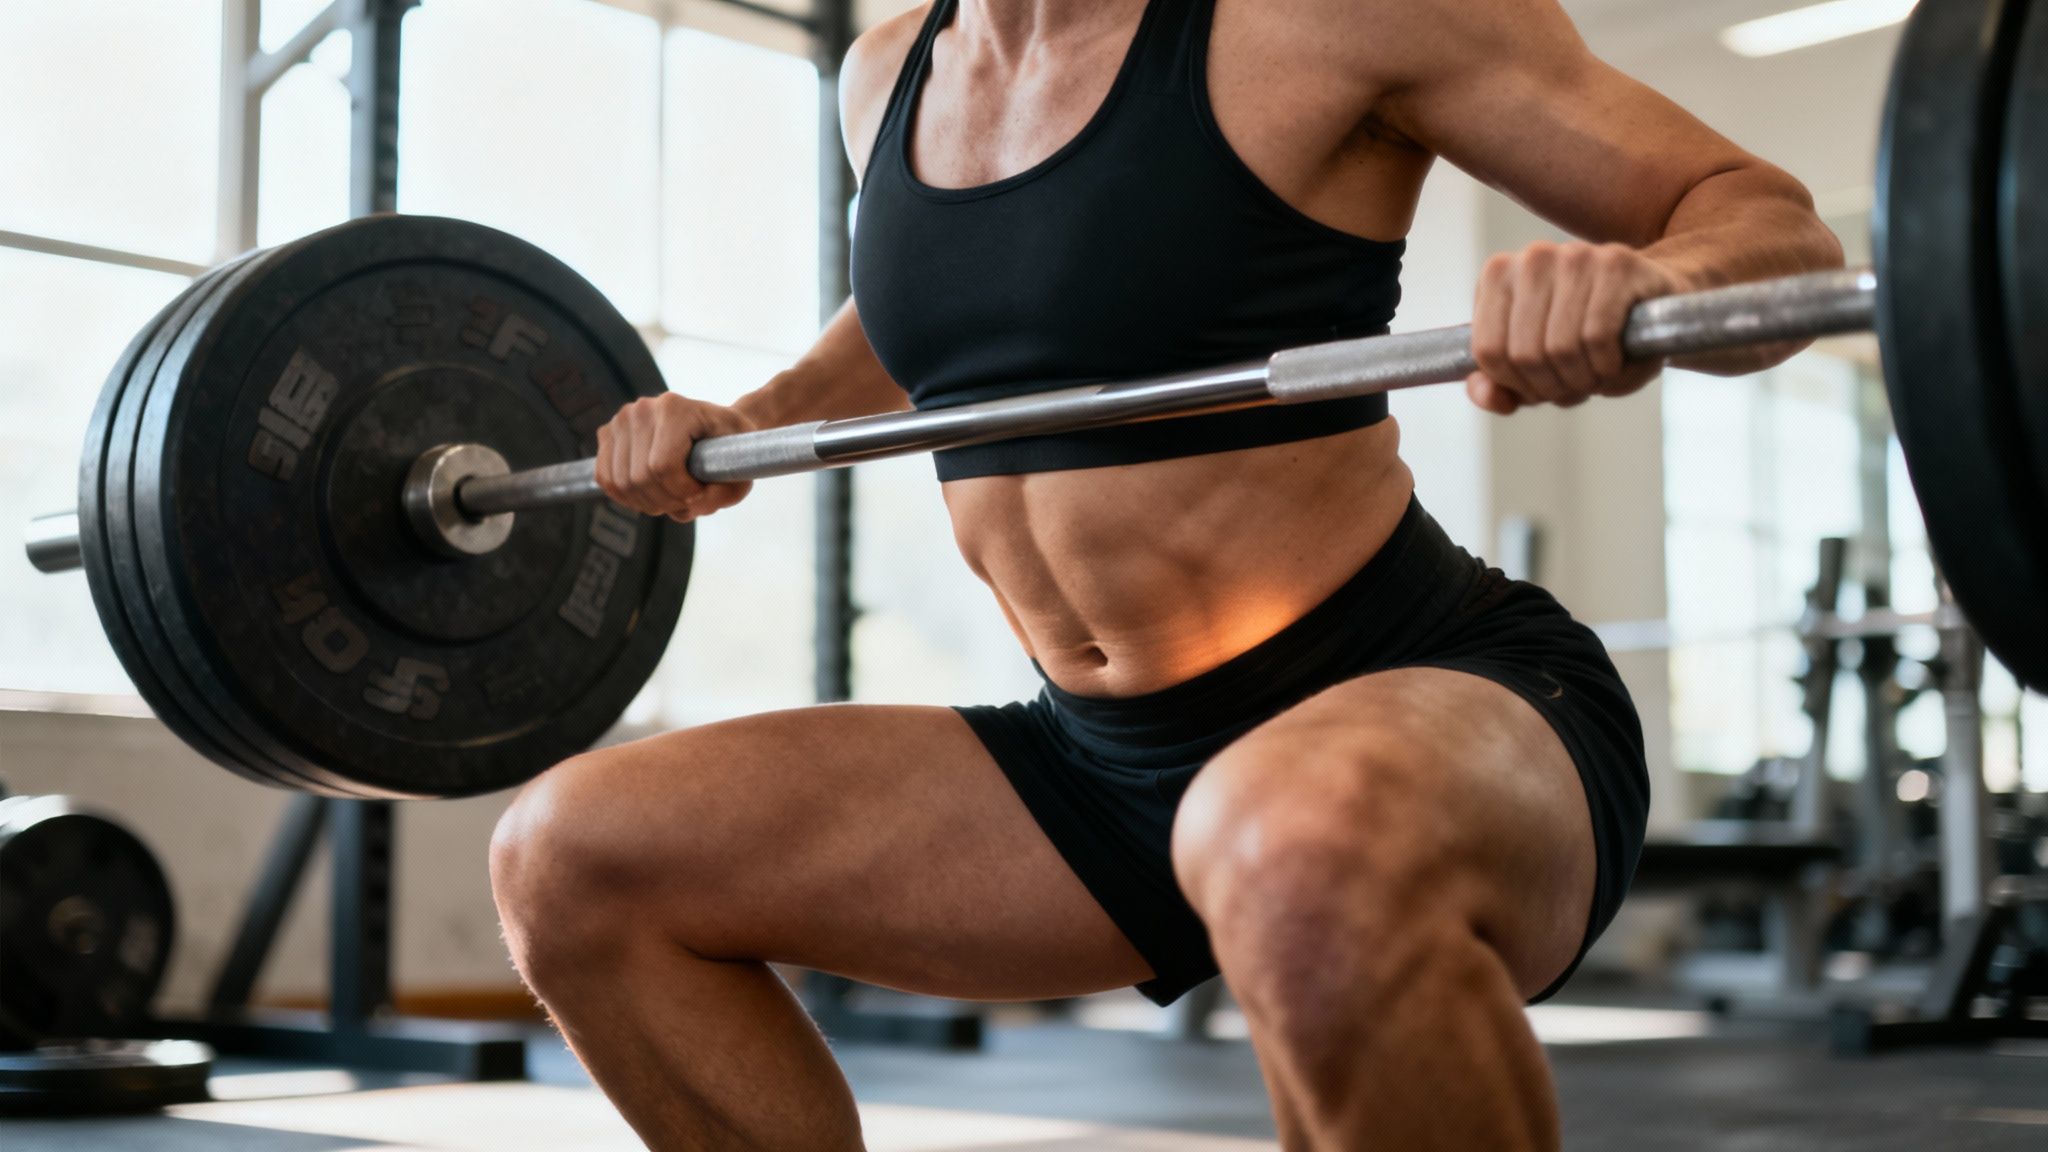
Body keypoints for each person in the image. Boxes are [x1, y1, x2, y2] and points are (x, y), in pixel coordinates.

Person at [488, 1, 1842, 1148]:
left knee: (1288, 833)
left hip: (1420, 690)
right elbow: (964, 308)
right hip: (1105, 772)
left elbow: (1769, 227)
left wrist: (1633, 284)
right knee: (573, 858)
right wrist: (753, 416)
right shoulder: (887, 70)